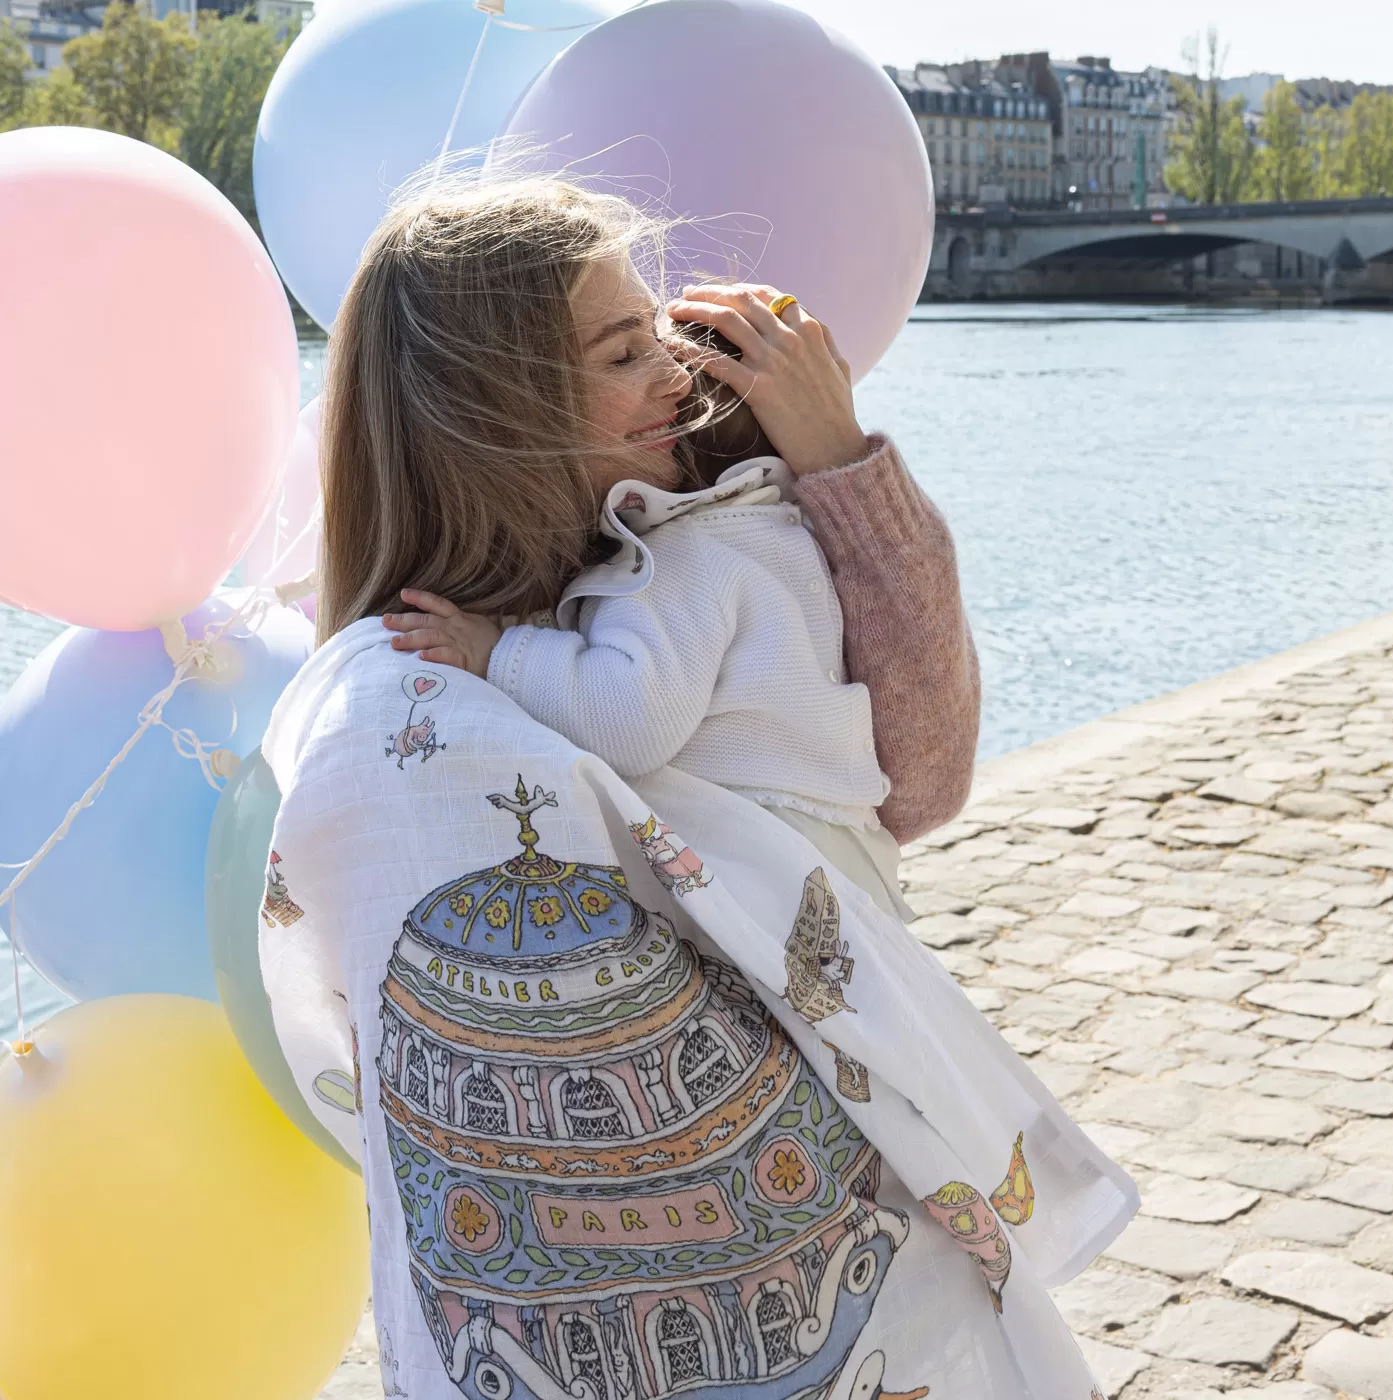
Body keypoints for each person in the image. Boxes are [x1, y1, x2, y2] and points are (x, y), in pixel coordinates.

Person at [260, 174, 1135, 1400]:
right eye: (627, 350)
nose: (677, 369)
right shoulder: (409, 696)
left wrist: (841, 467)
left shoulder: (669, 547)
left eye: (664, 333)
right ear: (496, 407)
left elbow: (918, 779)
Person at [379, 251, 939, 919]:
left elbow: (628, 720)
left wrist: (497, 651)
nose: (674, 380)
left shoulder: (682, 557)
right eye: (625, 356)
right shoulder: (781, 535)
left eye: (664, 357)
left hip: (763, 862)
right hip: (845, 855)